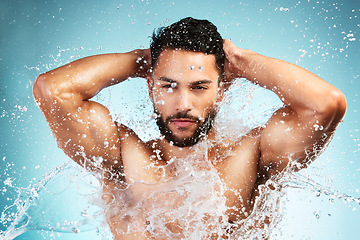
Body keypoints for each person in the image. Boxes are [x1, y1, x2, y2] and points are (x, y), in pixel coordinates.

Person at [32, 17, 346, 239]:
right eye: (168, 86)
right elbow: (53, 90)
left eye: (199, 87)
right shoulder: (122, 155)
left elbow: (324, 104)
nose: (183, 103)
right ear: (150, 87)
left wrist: (239, 59)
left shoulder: (251, 156)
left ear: (221, 90)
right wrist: (143, 61)